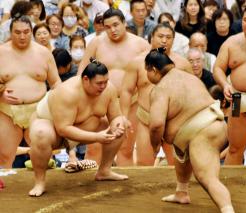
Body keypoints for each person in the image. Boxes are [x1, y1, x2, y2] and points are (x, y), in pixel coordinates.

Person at [145, 48, 234, 213]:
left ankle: (227, 210)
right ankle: (181, 192)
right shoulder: (189, 77)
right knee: (181, 152)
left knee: (207, 178)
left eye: (147, 71)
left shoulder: (161, 89)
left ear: (154, 70)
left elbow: (156, 124)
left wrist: (155, 145)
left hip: (204, 133)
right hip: (212, 125)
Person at [29, 58, 129, 197]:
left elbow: (116, 116)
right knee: (40, 133)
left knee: (121, 124)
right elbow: (63, 129)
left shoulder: (108, 89)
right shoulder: (67, 92)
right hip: (52, 126)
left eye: (106, 82)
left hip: (86, 127)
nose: (103, 86)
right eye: (99, 83)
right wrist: (97, 137)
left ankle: (104, 171)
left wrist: (118, 125)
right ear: (86, 79)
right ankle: (39, 182)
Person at [78, 8, 150, 166]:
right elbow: (82, 72)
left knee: (125, 148)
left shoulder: (141, 45)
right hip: (100, 100)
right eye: (108, 27)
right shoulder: (96, 43)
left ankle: (126, 189)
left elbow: (149, 78)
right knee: (94, 148)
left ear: (124, 23)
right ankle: (88, 187)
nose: (113, 30)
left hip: (132, 102)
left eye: (116, 25)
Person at [120, 23, 192, 166]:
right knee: (143, 163)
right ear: (151, 38)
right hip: (146, 119)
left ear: (174, 39)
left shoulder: (183, 64)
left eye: (168, 37)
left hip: (174, 120)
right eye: (160, 36)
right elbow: (127, 90)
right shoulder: (137, 62)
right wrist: (123, 116)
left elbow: (192, 92)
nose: (164, 40)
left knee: (178, 164)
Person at [0, 15, 61, 168]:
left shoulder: (44, 53)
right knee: (4, 156)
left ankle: (42, 186)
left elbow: (56, 83)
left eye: (26, 32)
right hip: (7, 112)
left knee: (42, 154)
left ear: (31, 32)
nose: (22, 36)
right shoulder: (1, 52)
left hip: (38, 110)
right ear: (10, 32)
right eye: (17, 32)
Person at [213, 3, 246, 165]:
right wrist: (225, 85)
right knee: (234, 148)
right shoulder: (231, 43)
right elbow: (217, 68)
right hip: (238, 98)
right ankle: (229, 189)